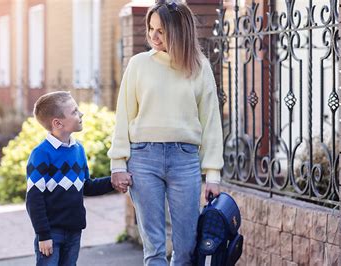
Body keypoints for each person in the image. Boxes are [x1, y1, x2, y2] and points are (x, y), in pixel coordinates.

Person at [107, 1, 224, 265]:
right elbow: (123, 115)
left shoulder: (199, 67)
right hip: (143, 159)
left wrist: (213, 174)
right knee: (154, 249)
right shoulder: (139, 64)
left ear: (179, 30)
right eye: (150, 29)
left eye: (161, 30)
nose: (153, 36)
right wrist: (118, 163)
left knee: (185, 249)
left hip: (185, 160)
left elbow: (211, 123)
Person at [26, 91, 114, 266]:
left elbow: (87, 186)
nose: (81, 114)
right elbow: (34, 199)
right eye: (74, 112)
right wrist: (43, 235)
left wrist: (114, 181)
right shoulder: (41, 154)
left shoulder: (78, 150)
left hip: (74, 231)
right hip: (51, 233)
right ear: (57, 123)